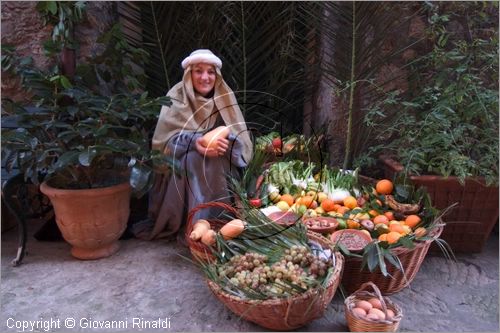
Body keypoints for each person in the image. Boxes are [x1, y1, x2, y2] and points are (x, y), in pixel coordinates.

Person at [133, 49, 253, 241]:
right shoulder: (176, 97)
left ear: (217, 75)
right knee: (192, 159)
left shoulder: (224, 97)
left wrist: (224, 145)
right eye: (198, 71)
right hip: (181, 165)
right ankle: (194, 225)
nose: (205, 77)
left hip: (219, 165)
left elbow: (240, 139)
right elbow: (163, 145)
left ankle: (221, 224)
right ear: (189, 74)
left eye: (210, 72)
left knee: (216, 160)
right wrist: (195, 143)